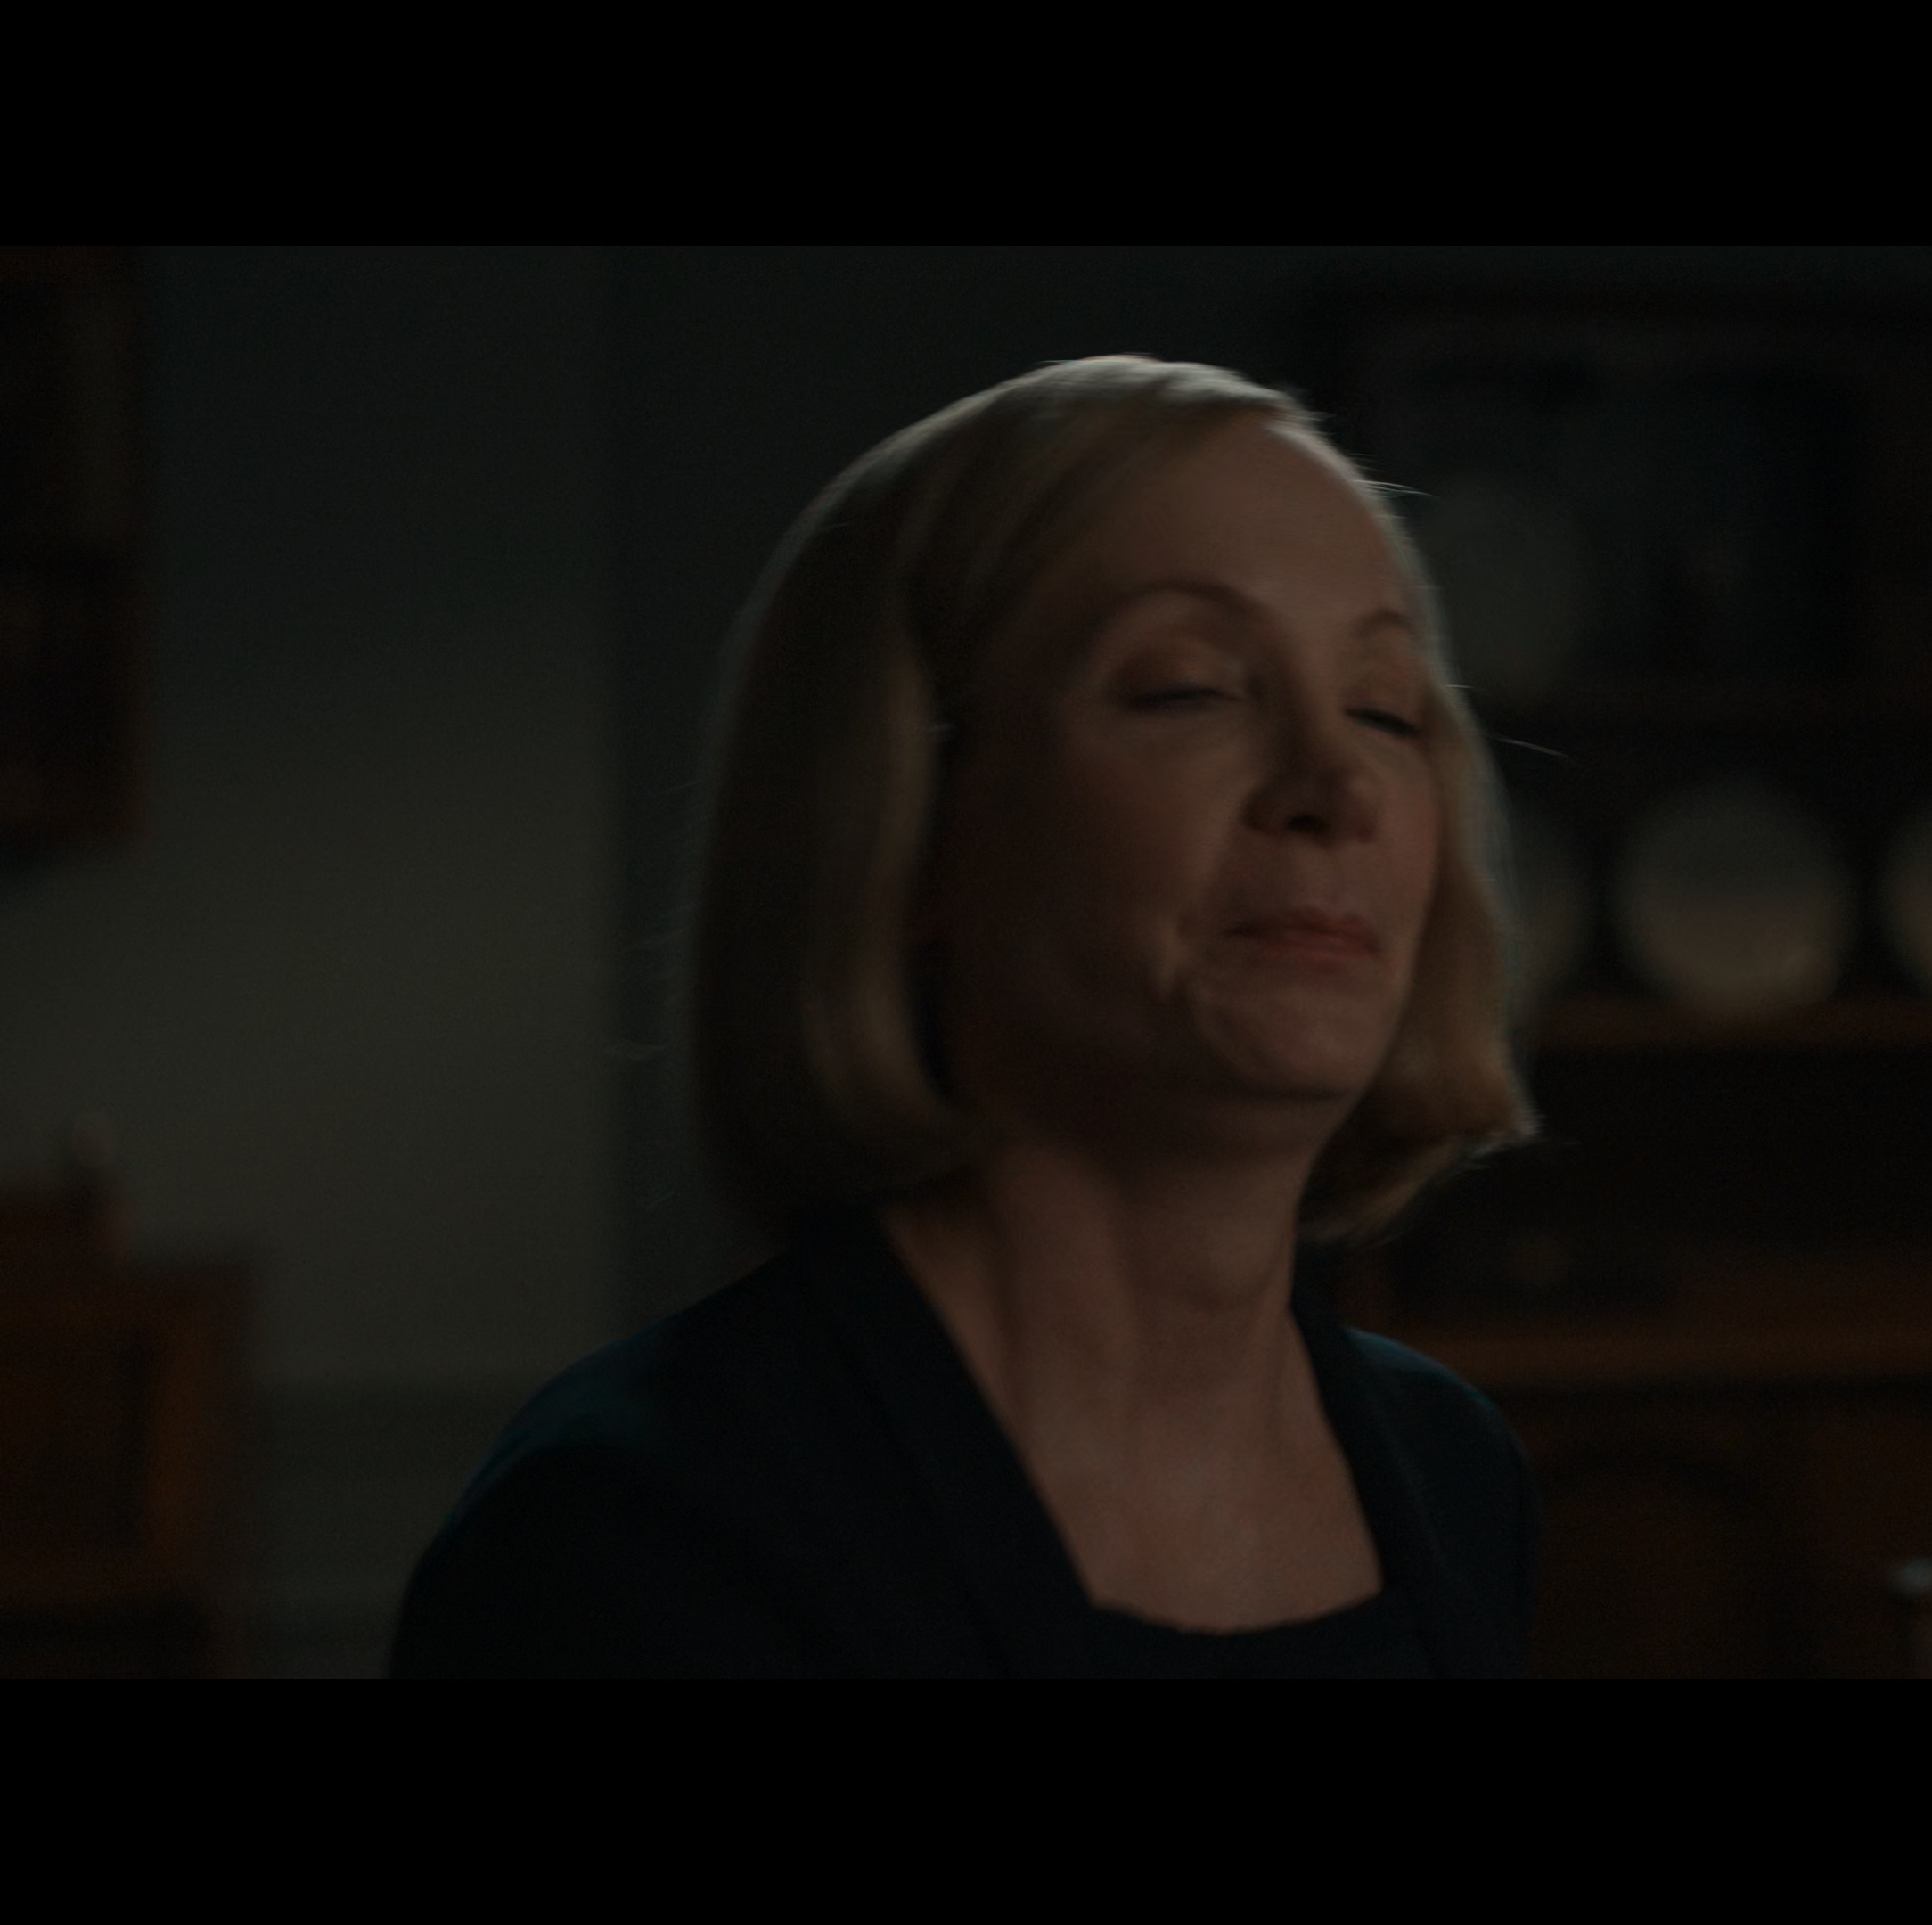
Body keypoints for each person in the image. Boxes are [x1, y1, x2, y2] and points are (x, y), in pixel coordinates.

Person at [393, 357, 1540, 1676]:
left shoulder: (1453, 1474)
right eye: (1188, 686)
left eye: (1386, 709)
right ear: (909, 822)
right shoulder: (644, 1533)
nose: (1339, 785)